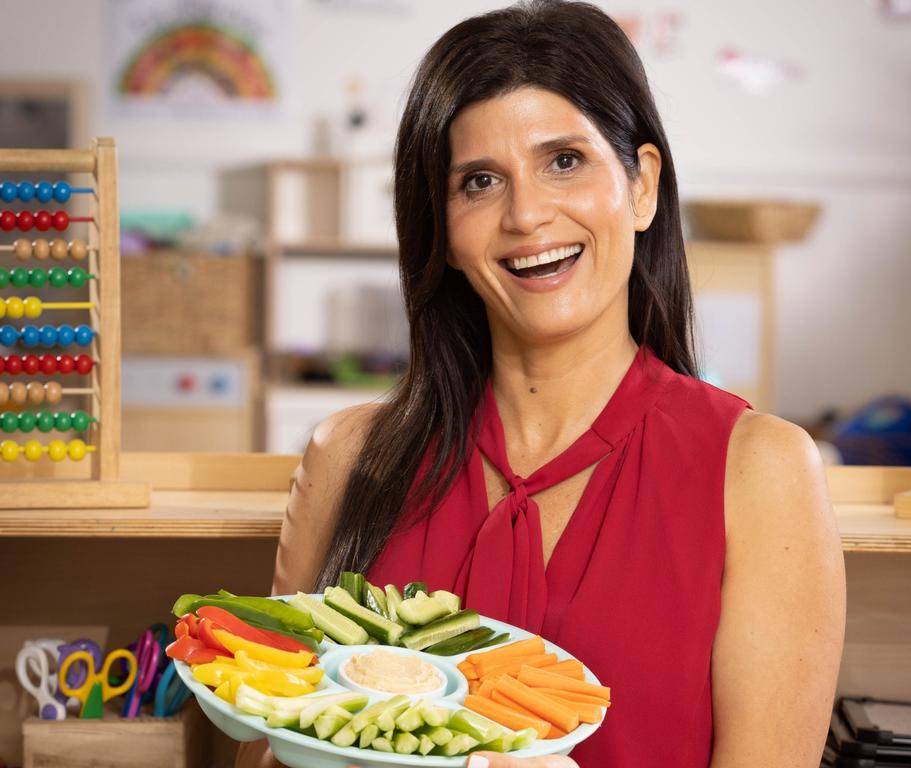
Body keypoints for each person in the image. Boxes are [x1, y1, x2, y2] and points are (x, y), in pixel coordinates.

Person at [237, 1, 846, 766]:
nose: (527, 214)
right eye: (481, 181)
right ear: (445, 235)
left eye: (565, 161)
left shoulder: (760, 470)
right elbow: (268, 748)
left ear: (643, 186)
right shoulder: (347, 457)